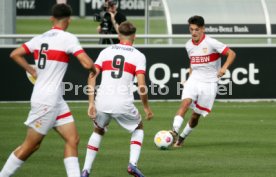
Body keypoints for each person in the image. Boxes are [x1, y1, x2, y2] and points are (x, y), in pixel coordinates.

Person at [0, 4, 96, 177]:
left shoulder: (39, 38)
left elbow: (14, 54)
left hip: (55, 99)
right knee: (31, 145)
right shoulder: (67, 38)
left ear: (52, 18)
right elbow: (87, 63)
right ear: (69, 20)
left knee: (72, 139)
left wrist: (32, 70)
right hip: (47, 100)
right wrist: (94, 69)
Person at [81, 21, 153, 177]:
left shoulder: (106, 51)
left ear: (119, 35)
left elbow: (92, 75)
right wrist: (146, 107)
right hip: (122, 102)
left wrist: (91, 103)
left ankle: (86, 170)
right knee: (138, 127)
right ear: (134, 36)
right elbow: (141, 85)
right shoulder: (138, 56)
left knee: (98, 130)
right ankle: (132, 164)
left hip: (102, 101)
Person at [170, 15, 236, 147]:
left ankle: (182, 138)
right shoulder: (188, 45)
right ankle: (174, 132)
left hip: (209, 83)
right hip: (194, 80)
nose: (194, 32)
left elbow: (232, 54)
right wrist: (190, 74)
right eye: (191, 29)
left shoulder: (211, 43)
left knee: (195, 116)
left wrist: (223, 68)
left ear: (203, 29)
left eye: (197, 30)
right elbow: (193, 61)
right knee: (185, 104)